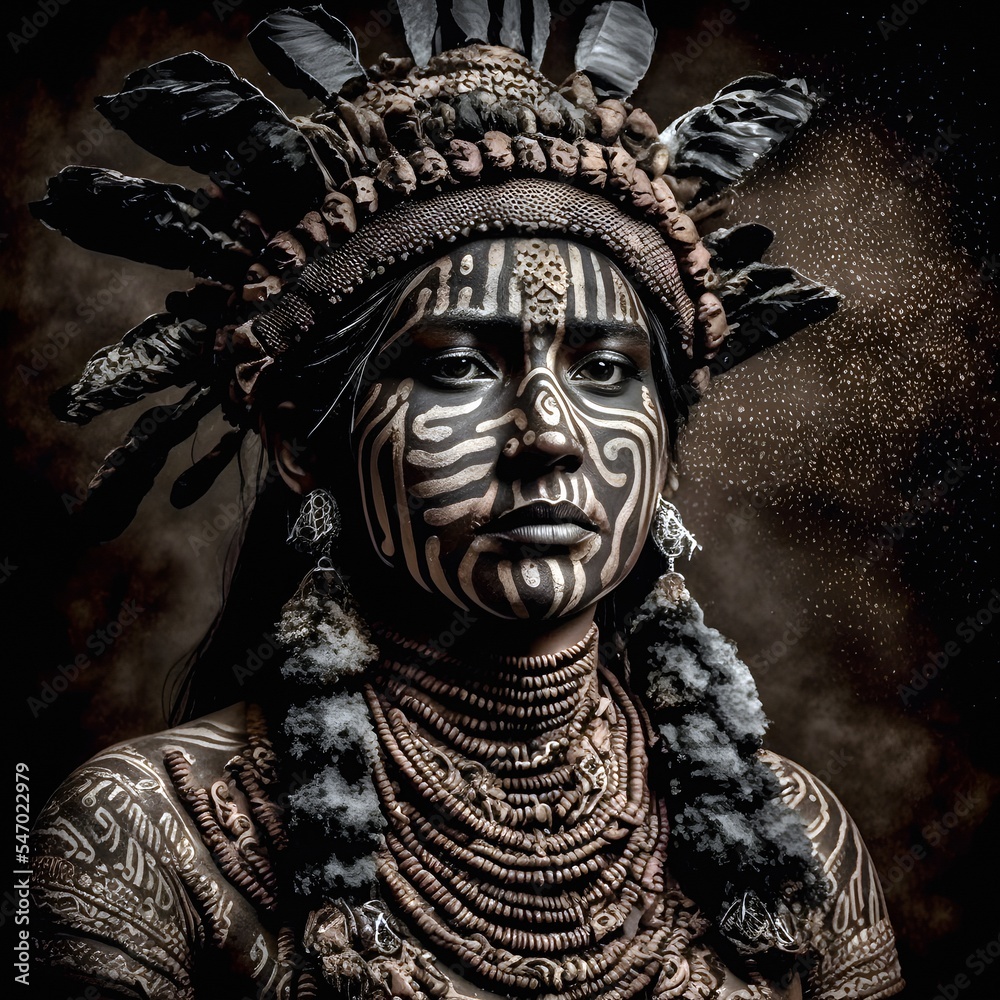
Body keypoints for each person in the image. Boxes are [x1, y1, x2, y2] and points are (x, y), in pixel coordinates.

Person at [29, 3, 904, 997]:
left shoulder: (798, 840)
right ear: (298, 443)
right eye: (453, 367)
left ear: (662, 451)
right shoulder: (145, 833)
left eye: (607, 371)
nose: (549, 434)